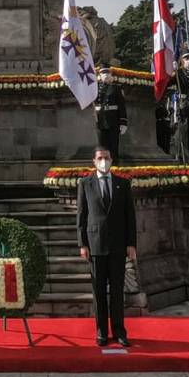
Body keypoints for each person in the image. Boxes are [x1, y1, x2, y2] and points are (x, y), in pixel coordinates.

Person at [77, 146, 137, 347]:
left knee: (117, 291)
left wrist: (131, 244)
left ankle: (119, 331)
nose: (104, 161)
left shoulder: (122, 183)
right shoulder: (86, 184)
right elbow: (81, 217)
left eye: (107, 158)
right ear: (94, 161)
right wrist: (82, 244)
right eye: (100, 158)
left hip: (118, 245)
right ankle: (101, 331)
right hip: (95, 245)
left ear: (112, 160)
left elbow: (130, 216)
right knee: (99, 291)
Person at [94, 64, 127, 163]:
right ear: (100, 75)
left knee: (113, 146)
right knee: (102, 147)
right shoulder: (95, 88)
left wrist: (123, 122)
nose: (106, 75)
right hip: (100, 121)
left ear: (111, 75)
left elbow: (122, 106)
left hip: (113, 121)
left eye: (107, 73)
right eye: (103, 73)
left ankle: (114, 166)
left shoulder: (116, 88)